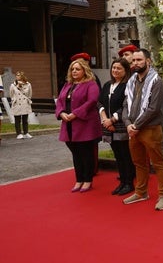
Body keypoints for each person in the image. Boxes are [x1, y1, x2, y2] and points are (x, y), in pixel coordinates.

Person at [122, 49, 163, 211]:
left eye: (139, 60)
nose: (135, 63)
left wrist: (135, 125)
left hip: (150, 129)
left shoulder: (156, 81)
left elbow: (153, 109)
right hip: (133, 130)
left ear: (148, 61)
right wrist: (128, 123)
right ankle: (141, 192)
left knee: (158, 163)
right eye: (133, 60)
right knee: (139, 163)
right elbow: (125, 105)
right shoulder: (131, 81)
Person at [55, 59, 102, 193]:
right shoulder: (67, 85)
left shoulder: (90, 84)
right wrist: (61, 112)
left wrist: (76, 113)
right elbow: (59, 101)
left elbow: (92, 101)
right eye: (72, 69)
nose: (74, 71)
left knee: (86, 153)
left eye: (77, 69)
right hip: (68, 124)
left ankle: (87, 180)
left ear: (84, 70)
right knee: (75, 153)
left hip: (84, 124)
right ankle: (79, 179)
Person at [98, 58, 135, 195]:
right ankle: (122, 182)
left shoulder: (128, 86)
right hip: (107, 124)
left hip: (121, 125)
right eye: (114, 68)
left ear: (126, 71)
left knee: (126, 155)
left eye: (119, 68)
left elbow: (126, 105)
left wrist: (112, 120)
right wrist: (104, 119)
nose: (115, 71)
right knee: (117, 155)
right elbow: (100, 102)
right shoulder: (108, 85)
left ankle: (129, 183)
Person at [10, 71, 33, 139]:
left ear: (22, 76)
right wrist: (14, 100)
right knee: (17, 119)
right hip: (17, 104)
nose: (17, 76)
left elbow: (29, 94)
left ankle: (26, 133)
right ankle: (19, 133)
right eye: (16, 75)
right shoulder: (13, 85)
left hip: (25, 103)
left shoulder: (28, 84)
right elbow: (11, 94)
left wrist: (27, 100)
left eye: (19, 75)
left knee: (25, 119)